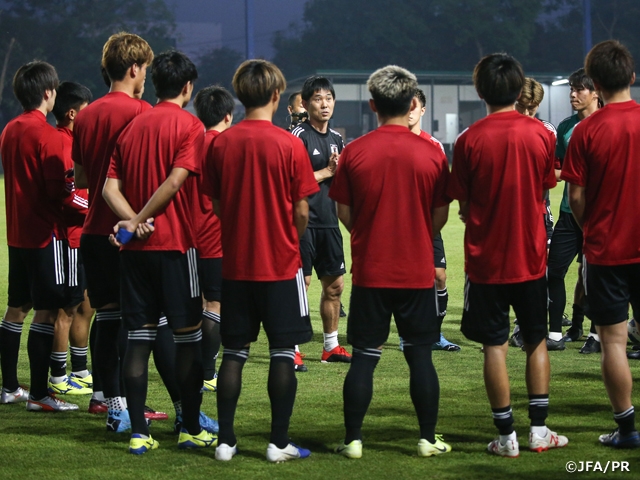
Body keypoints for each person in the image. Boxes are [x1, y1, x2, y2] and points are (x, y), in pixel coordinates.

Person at [447, 53, 567, 457]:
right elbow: (546, 187)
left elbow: (461, 202)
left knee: (493, 346)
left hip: (485, 262)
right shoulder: (540, 135)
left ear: (480, 90)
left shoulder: (467, 140)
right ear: (520, 89)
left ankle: (506, 437)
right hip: (530, 257)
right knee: (535, 342)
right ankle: (539, 431)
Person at [330, 65, 452, 459]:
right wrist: (417, 235)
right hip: (416, 271)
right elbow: (440, 217)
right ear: (413, 102)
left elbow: (343, 210)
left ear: (372, 104)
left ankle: (352, 440)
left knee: (364, 358)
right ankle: (427, 438)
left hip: (371, 271)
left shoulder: (355, 151)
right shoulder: (432, 153)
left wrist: (368, 233)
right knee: (420, 356)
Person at [104, 49, 216, 455]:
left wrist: (132, 222)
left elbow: (107, 189)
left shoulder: (132, 127)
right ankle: (189, 428)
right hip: (174, 247)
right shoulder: (190, 126)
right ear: (188, 87)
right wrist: (140, 220)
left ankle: (138, 432)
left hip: (135, 252)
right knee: (188, 341)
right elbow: (174, 182)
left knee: (137, 339)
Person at [207, 59, 318, 463]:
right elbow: (302, 208)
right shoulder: (289, 144)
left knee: (233, 353)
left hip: (235, 265)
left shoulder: (221, 143)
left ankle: (226, 442)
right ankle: (278, 442)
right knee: (282, 352)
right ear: (276, 96)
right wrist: (290, 234)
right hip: (280, 264)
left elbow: (216, 202)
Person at [73, 32, 153, 430]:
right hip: (127, 230)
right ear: (135, 68)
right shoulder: (141, 112)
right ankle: (126, 404)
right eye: (145, 71)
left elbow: (84, 178)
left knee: (106, 315)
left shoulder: (85, 115)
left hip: (92, 230)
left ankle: (104, 398)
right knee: (134, 321)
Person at [562, 39, 640, 448]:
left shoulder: (586, 131)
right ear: (631, 76)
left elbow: (576, 196)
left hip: (606, 248)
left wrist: (591, 227)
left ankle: (626, 429)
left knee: (612, 340)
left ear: (596, 83)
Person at [0, 61, 83, 411]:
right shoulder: (47, 135)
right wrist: (93, 205)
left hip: (16, 235)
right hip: (45, 236)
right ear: (49, 93)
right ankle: (39, 394)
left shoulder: (9, 130)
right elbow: (61, 193)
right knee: (47, 312)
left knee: (15, 309)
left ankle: (8, 387)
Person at [291, 76, 351, 365]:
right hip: (302, 222)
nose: (324, 104)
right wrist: (327, 172)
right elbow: (291, 182)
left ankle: (330, 347)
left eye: (328, 98)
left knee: (335, 285)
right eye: (317, 98)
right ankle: (292, 349)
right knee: (300, 285)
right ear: (305, 103)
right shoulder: (298, 136)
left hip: (329, 221)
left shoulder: (338, 139)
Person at [548, 69, 600, 353]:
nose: (573, 94)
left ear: (595, 92)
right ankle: (555, 333)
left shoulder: (607, 123)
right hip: (570, 212)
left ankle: (596, 335)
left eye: (579, 89)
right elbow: (556, 168)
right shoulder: (566, 126)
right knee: (554, 270)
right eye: (571, 88)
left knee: (594, 276)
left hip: (599, 214)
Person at [49, 81, 95, 397]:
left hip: (82, 237)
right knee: (65, 309)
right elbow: (67, 196)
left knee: (85, 304)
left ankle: (80, 370)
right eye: (86, 113)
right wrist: (97, 206)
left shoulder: (74, 142)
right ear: (71, 113)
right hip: (69, 238)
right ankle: (58, 375)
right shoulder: (63, 143)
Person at [407, 88, 460, 352]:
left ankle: (436, 336)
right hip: (400, 226)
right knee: (405, 280)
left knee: (438, 276)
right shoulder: (394, 142)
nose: (409, 111)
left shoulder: (434, 146)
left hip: (428, 225)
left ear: (422, 110)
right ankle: (408, 337)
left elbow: (442, 189)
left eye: (414, 106)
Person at [192, 85, 235, 392]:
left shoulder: (191, 143)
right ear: (228, 115)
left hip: (186, 238)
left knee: (193, 307)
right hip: (216, 238)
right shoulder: (225, 146)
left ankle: (193, 369)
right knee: (215, 305)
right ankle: (207, 373)